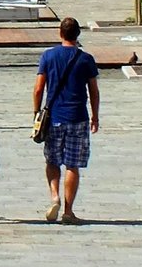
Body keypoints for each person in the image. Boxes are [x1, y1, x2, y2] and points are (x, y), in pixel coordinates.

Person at [34, 16, 100, 225]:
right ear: (77, 34)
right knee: (72, 165)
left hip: (54, 117)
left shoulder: (48, 56)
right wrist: (95, 116)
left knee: (52, 160)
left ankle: (54, 196)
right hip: (78, 116)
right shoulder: (86, 59)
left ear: (60, 33)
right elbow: (94, 91)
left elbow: (38, 88)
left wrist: (36, 112)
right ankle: (68, 211)